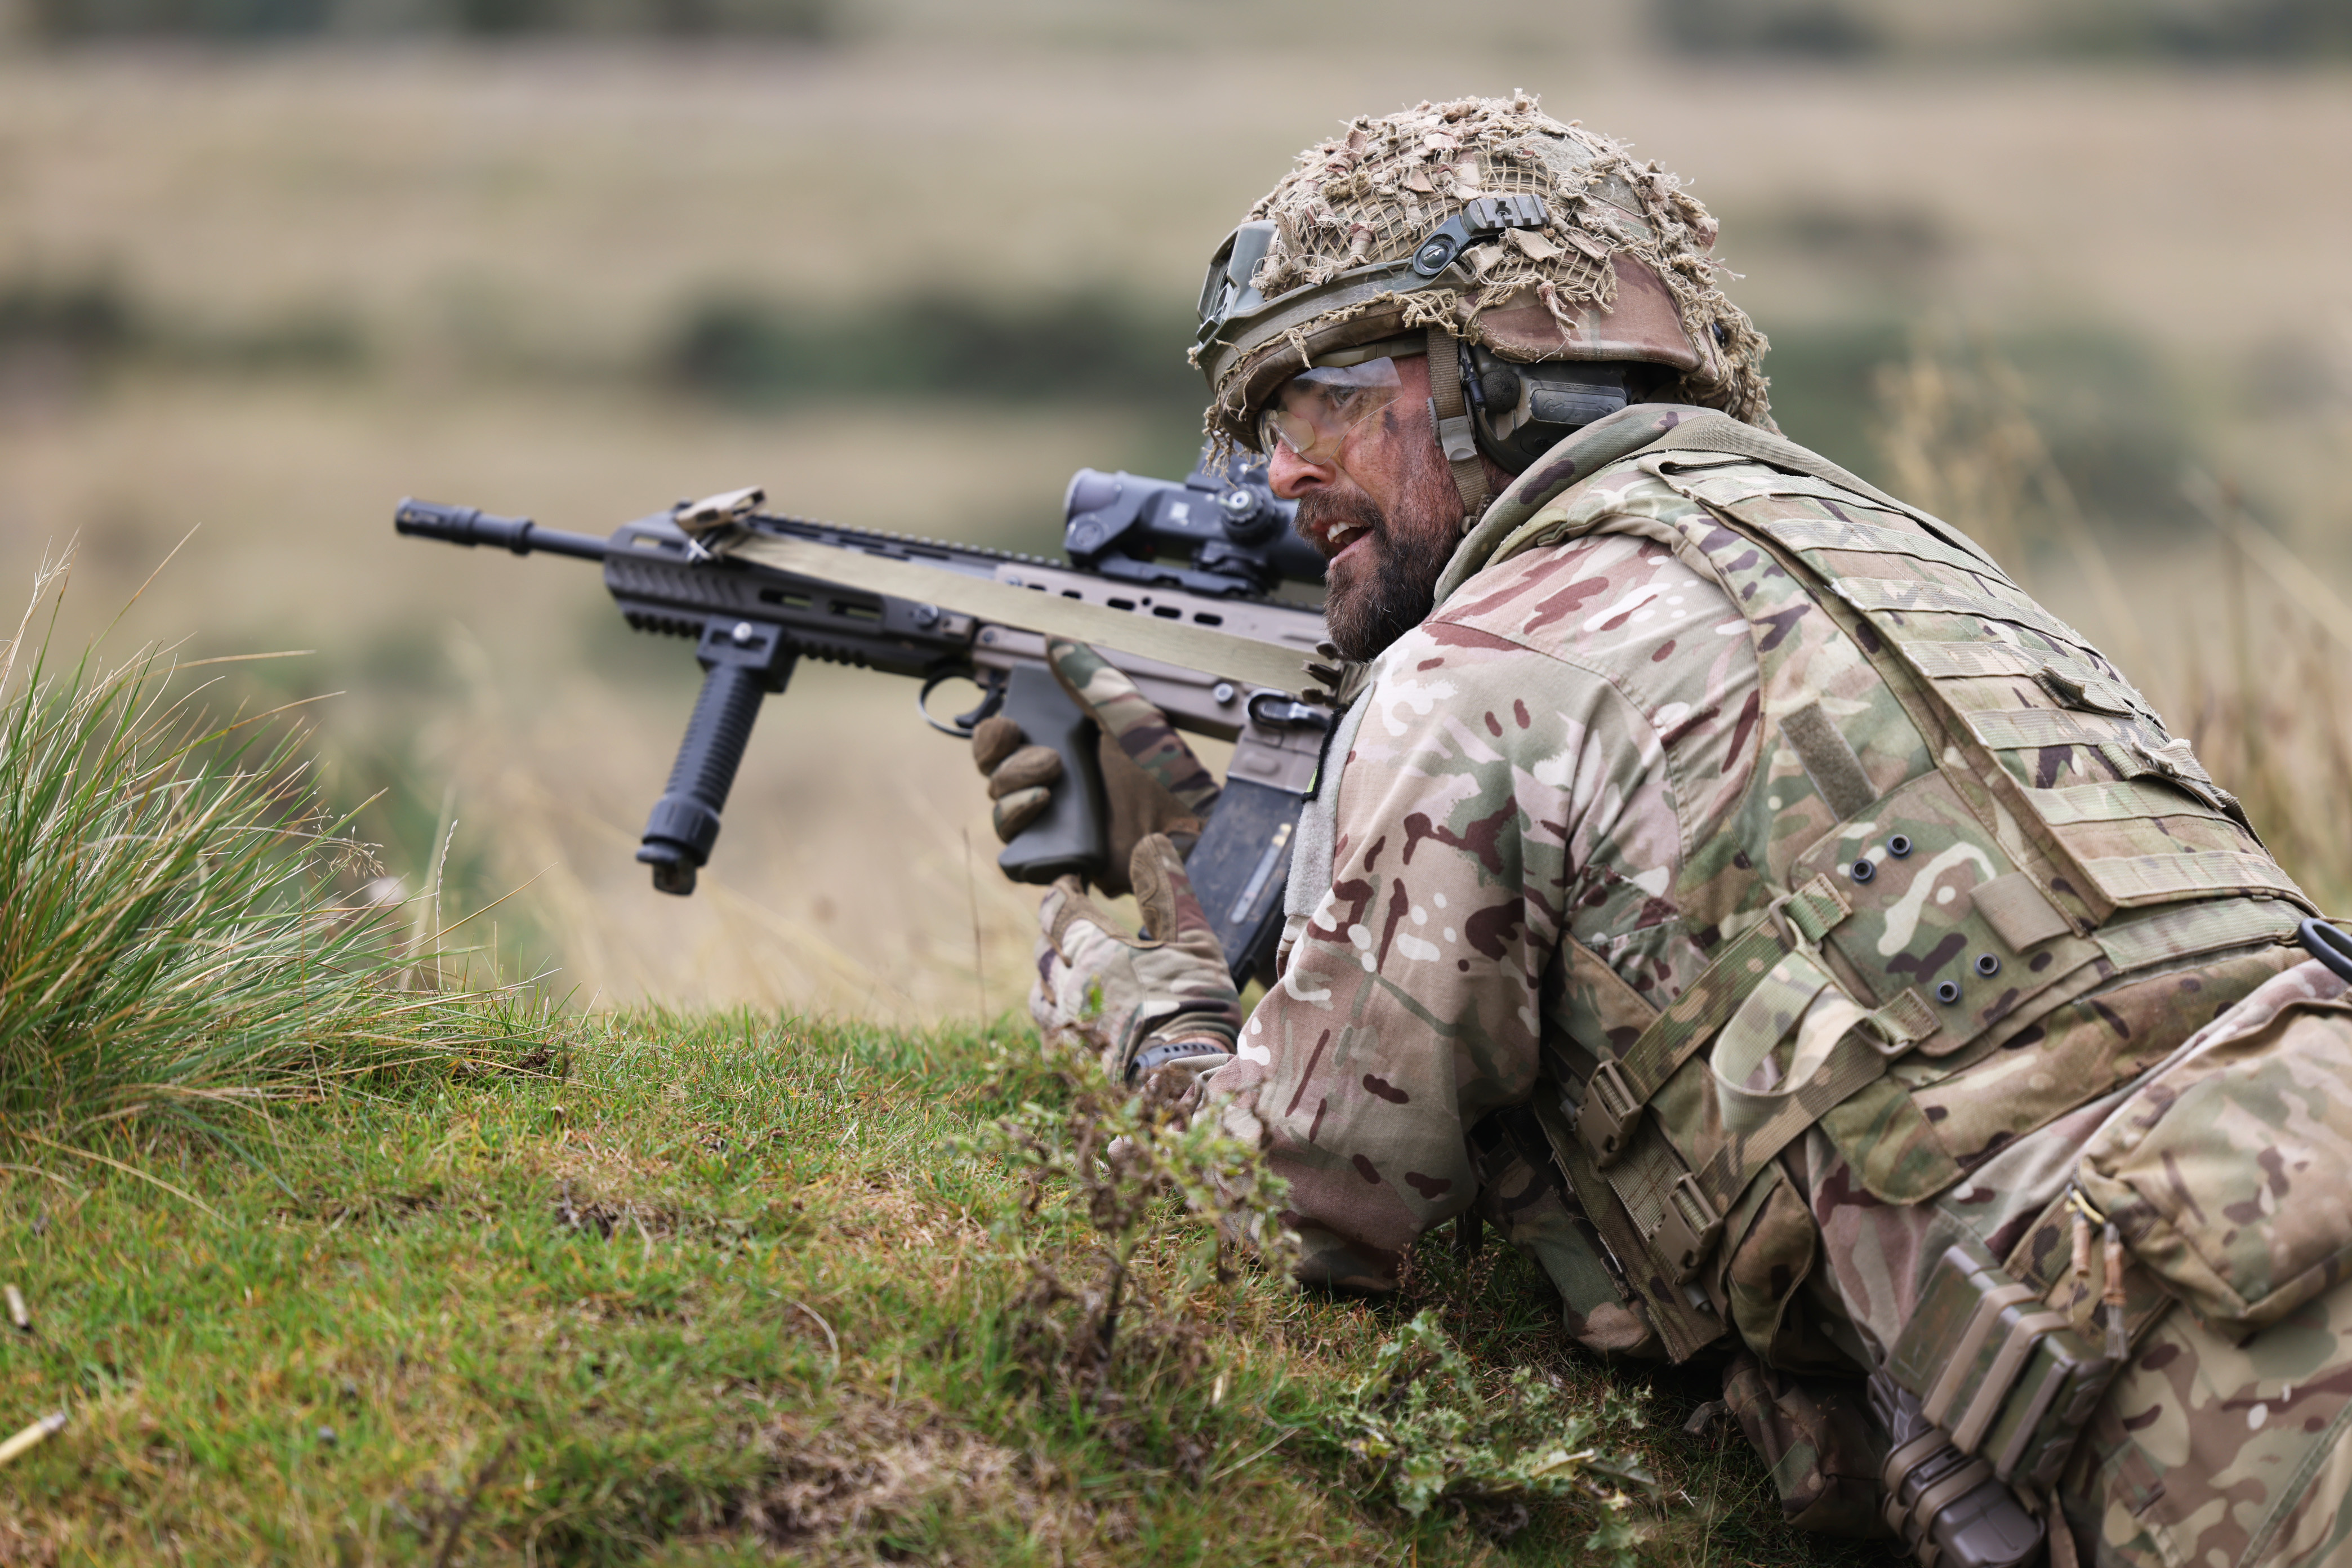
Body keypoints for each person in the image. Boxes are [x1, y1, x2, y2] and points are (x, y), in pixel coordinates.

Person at [974, 95, 2352, 1566]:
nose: (1281, 474)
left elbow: (1313, 1198)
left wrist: (1150, 1010)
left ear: (1480, 383)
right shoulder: (1935, 575)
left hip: (2237, 1428)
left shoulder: (1476, 670)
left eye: (1319, 402)